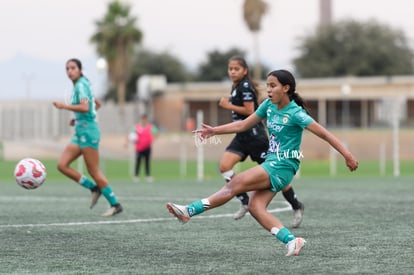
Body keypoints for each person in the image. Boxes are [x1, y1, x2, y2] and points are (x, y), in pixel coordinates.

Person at [166, 69, 358, 256]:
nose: (268, 90)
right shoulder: (268, 105)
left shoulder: (296, 114)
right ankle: (292, 240)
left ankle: (188, 211)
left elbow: (325, 134)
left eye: (273, 86)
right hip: (272, 163)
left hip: (283, 166)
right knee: (255, 208)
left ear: (286, 88)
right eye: (267, 86)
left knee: (235, 184)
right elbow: (242, 125)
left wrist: (347, 155)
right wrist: (215, 130)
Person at [218, 56, 305, 227]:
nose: (233, 71)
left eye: (237, 68)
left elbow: (250, 110)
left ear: (245, 71)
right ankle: (244, 200)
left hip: (255, 137)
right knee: (224, 166)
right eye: (230, 68)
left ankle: (296, 205)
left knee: (276, 176)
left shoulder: (245, 86)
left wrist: (228, 106)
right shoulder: (236, 86)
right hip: (241, 137)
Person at [53, 58, 123, 217]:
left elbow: (86, 106)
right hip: (80, 131)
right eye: (67, 68)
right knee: (62, 165)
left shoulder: (81, 85)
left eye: (73, 68)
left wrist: (65, 107)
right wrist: (78, 118)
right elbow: (95, 104)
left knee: (94, 170)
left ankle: (115, 204)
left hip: (88, 132)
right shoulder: (83, 84)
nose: (69, 71)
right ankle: (94, 188)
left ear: (80, 69)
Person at [127, 114, 159, 182]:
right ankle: (136, 175)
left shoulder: (150, 127)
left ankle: (148, 175)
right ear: (141, 119)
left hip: (147, 147)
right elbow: (131, 135)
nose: (144, 120)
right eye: (142, 119)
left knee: (147, 162)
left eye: (145, 119)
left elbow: (156, 133)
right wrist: (127, 142)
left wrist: (153, 139)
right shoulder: (136, 127)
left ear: (146, 119)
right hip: (139, 148)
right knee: (138, 161)